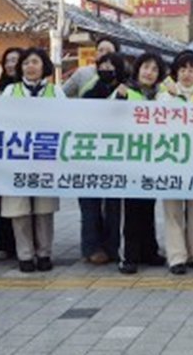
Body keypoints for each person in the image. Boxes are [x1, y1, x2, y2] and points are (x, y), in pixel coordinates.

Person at [0, 48, 64, 273]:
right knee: (19, 211)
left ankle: (44, 253)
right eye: (26, 63)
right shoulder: (10, 90)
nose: (30, 67)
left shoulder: (56, 92)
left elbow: (68, 121)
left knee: (44, 210)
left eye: (35, 62)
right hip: (16, 159)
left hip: (46, 159)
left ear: (44, 66)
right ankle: (25, 255)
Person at [158, 51, 193, 275]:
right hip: (170, 158)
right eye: (182, 69)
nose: (187, 74)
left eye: (191, 69)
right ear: (175, 72)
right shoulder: (164, 96)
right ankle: (176, 256)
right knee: (173, 210)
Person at [118, 52, 168, 274]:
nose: (149, 72)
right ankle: (129, 256)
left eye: (154, 69)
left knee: (148, 208)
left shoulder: (162, 95)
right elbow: (106, 118)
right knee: (131, 210)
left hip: (154, 159)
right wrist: (118, 100)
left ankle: (149, 251)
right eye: (146, 67)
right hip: (130, 159)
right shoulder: (125, 92)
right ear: (138, 70)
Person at [77, 52, 129, 266]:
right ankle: (92, 247)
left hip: (118, 155)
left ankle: (112, 247)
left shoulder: (127, 90)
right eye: (102, 65)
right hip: (91, 154)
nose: (106, 69)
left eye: (111, 65)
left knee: (114, 206)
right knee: (90, 205)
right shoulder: (90, 91)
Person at [0, 47, 21, 262]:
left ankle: (22, 244)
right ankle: (4, 244)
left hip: (24, 153)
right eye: (7, 60)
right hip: (3, 152)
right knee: (2, 200)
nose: (11, 64)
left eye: (15, 60)